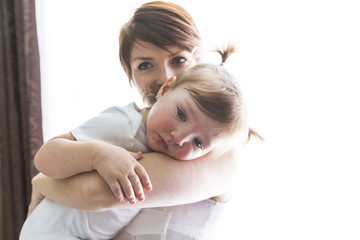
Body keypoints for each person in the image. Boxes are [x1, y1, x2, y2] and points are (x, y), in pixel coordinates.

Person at [23, 1, 261, 239]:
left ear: (198, 58)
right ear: (130, 74)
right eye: (145, 65)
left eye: (178, 60)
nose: (164, 76)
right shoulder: (129, 125)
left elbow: (93, 191)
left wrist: (44, 184)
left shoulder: (220, 146)